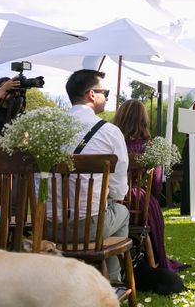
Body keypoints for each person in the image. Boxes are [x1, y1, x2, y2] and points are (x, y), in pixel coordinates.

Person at [62, 69, 129, 281]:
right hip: (86, 226)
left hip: (45, 225)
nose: (107, 97)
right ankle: (113, 281)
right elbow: (119, 188)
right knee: (121, 211)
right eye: (105, 91)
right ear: (92, 94)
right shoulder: (109, 132)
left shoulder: (49, 129)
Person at [113, 99, 187, 271]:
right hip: (138, 204)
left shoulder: (112, 143)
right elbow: (155, 185)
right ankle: (150, 259)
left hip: (112, 200)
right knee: (151, 204)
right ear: (143, 120)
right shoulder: (150, 147)